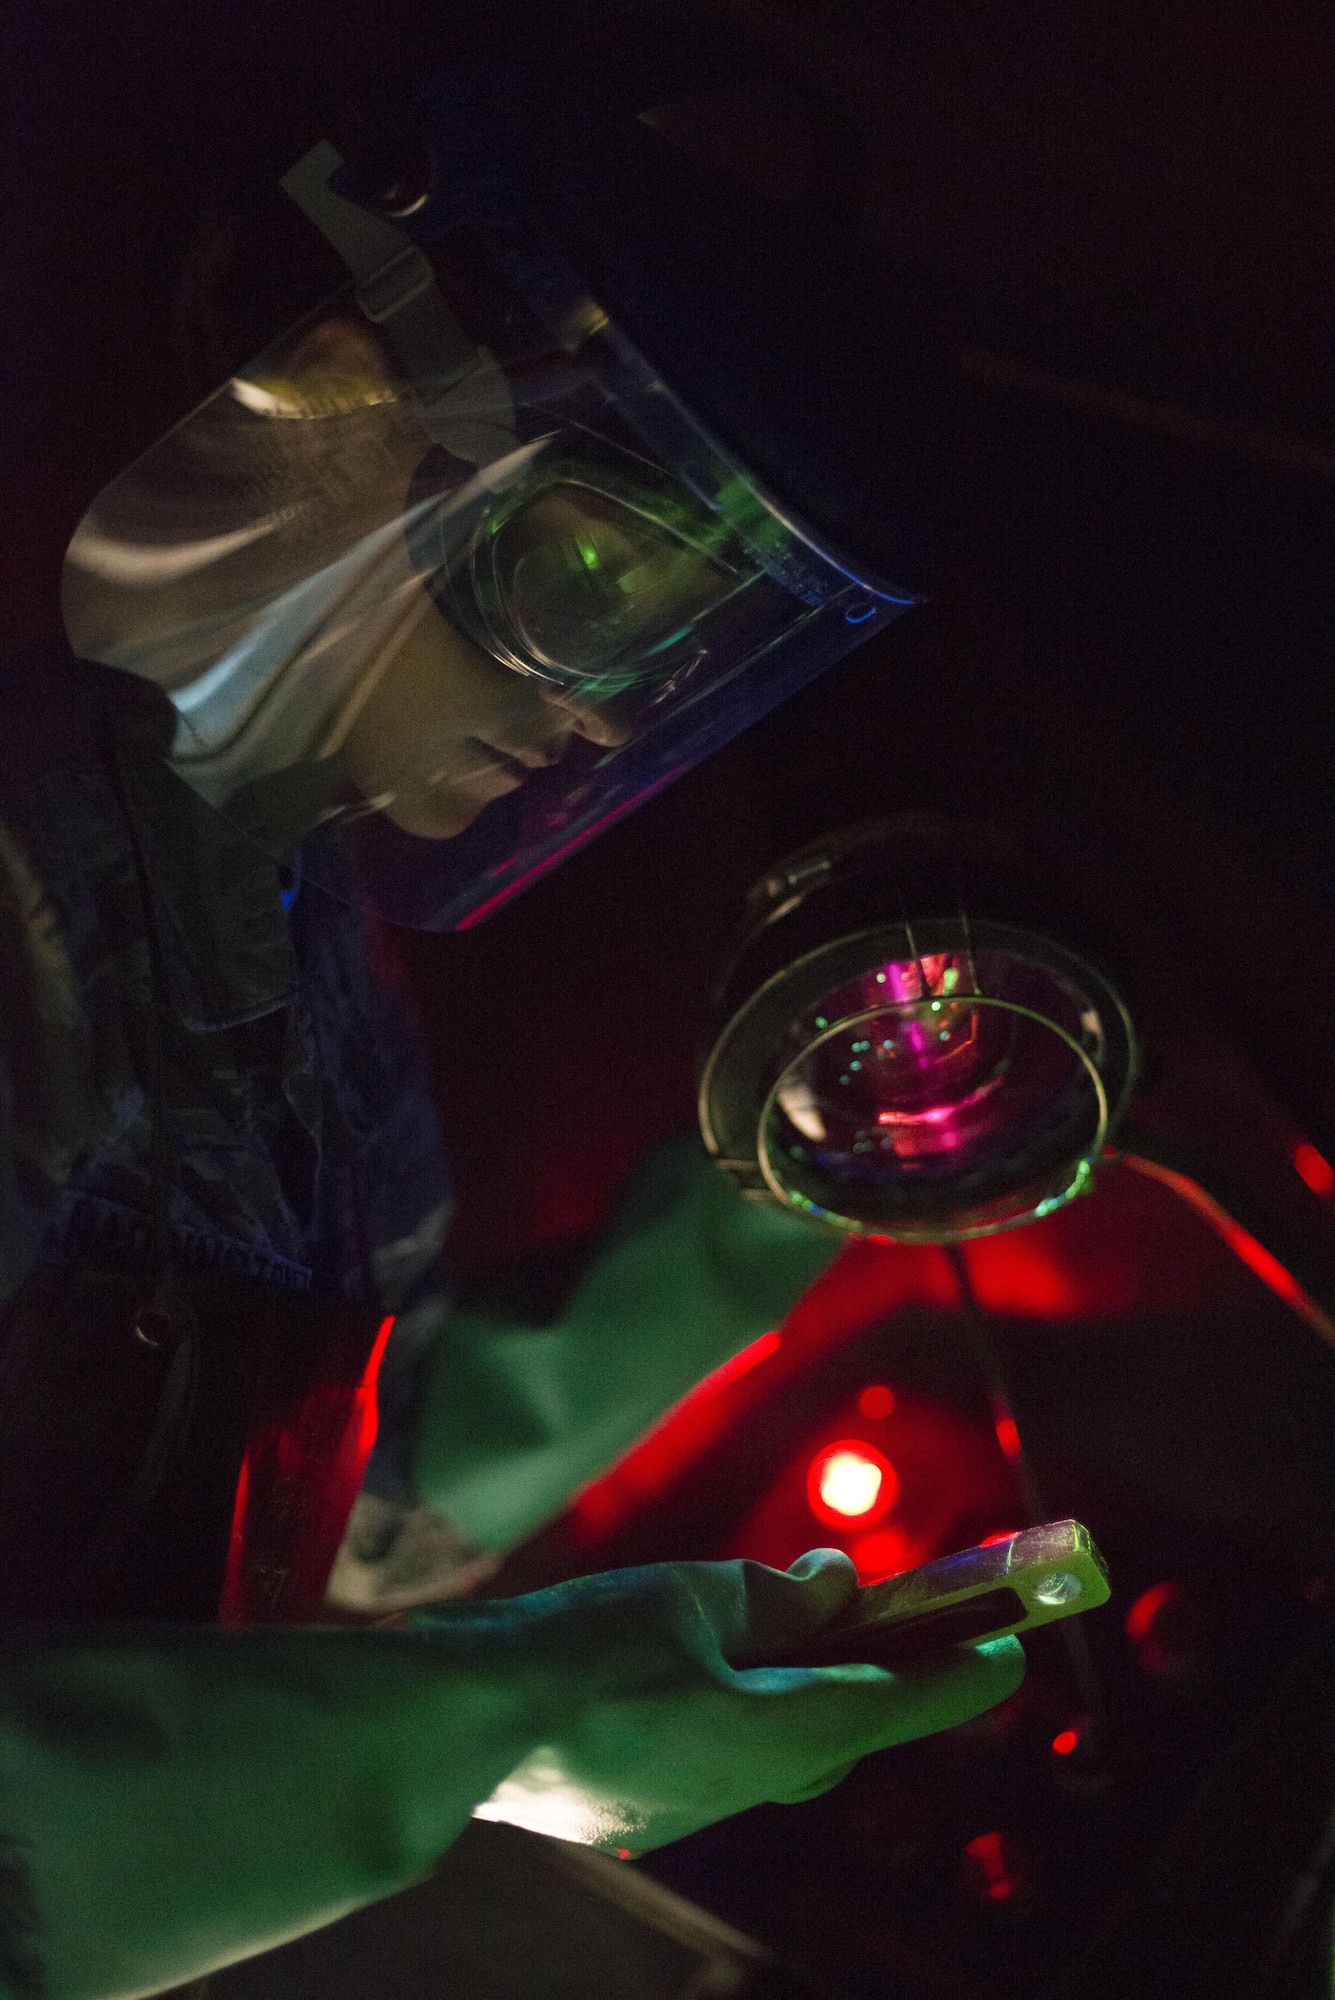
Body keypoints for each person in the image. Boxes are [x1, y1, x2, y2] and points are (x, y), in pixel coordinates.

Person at [0, 19, 1024, 1999]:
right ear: (339, 414)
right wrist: (505, 1715)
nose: (613, 704)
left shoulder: (300, 962)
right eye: (603, 578)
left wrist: (797, 1179)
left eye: (700, 643)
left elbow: (340, 1516)